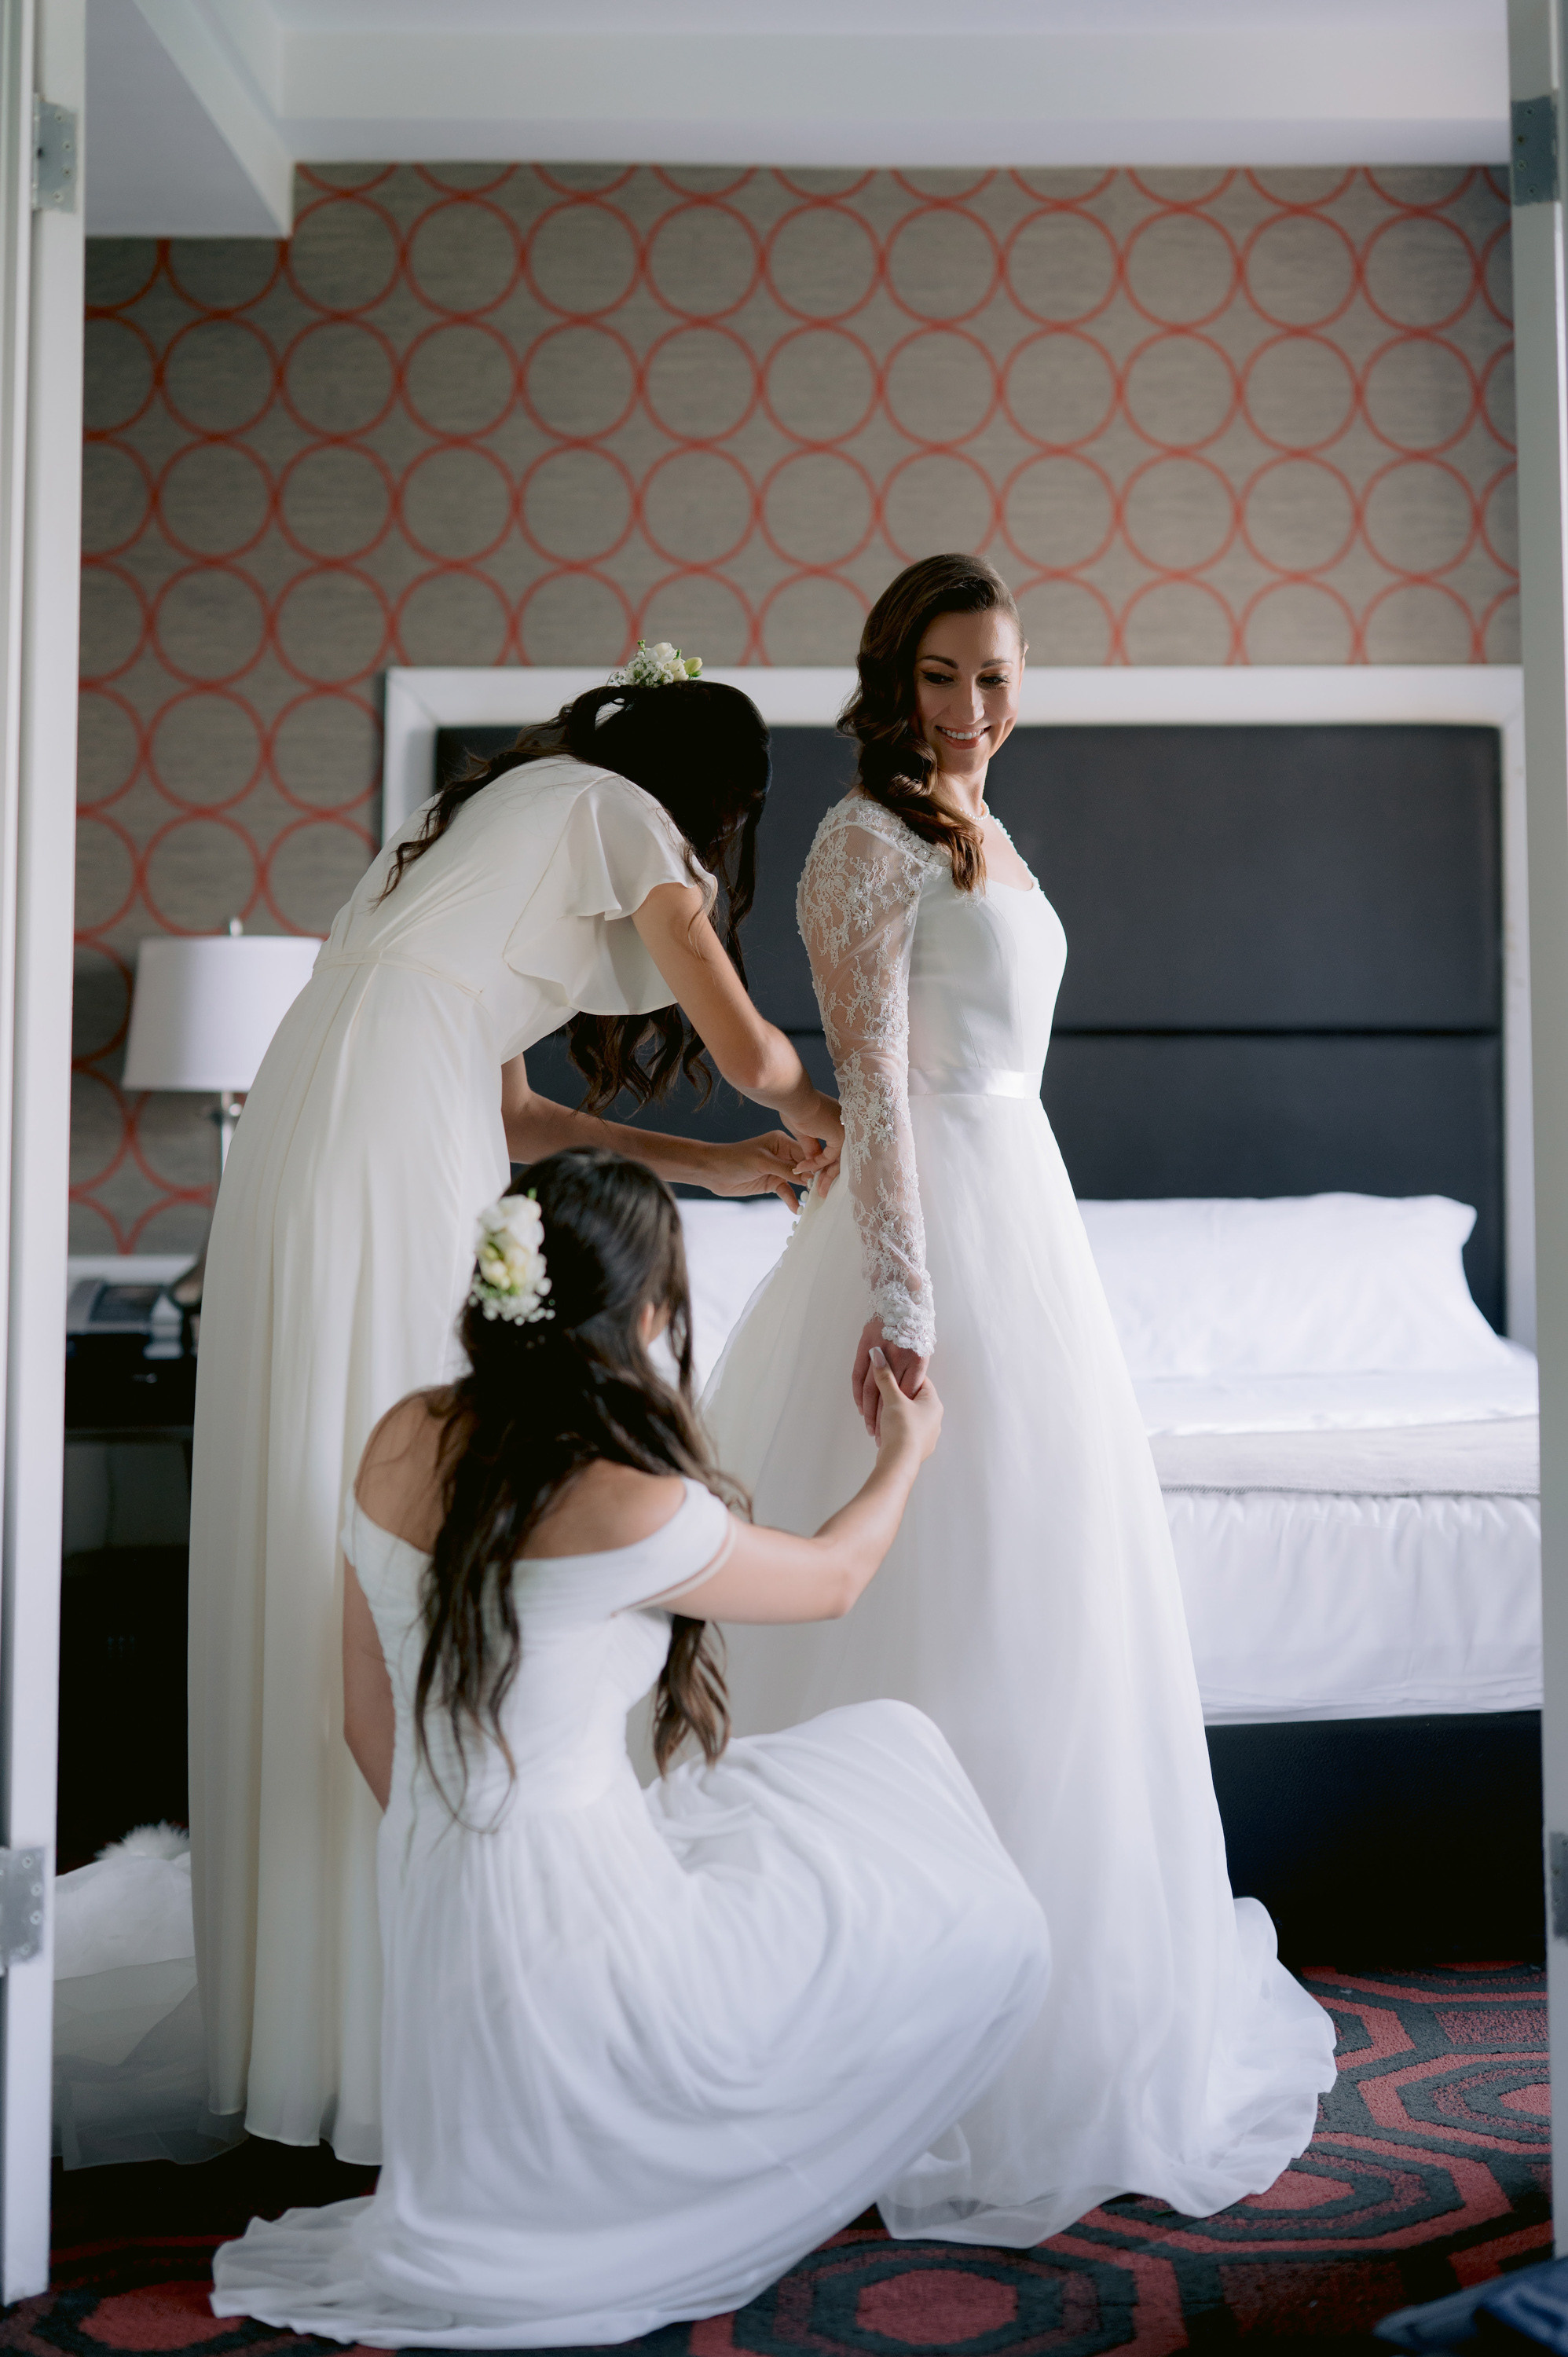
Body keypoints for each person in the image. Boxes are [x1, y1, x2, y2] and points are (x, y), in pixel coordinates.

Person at [702, 555, 1337, 2246]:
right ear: (889, 678)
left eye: (991, 674)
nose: (969, 707)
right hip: (933, 1235)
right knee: (927, 1597)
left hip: (1026, 1211)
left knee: (1049, 1611)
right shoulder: (862, 841)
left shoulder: (984, 821)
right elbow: (873, 1093)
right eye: (937, 677)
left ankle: (1054, 2013)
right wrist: (905, 1306)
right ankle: (864, 2031)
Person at [209, 1153, 1049, 2349]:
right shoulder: (628, 1499)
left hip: (433, 1887)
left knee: (819, 1795)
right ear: (645, 1313)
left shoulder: (399, 1436)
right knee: (949, 1867)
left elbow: (364, 1717)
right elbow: (837, 1578)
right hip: (583, 1900)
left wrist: (469, 1860)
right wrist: (904, 1451)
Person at [189, 661, 845, 2160]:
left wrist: (719, 1167)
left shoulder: (483, 815)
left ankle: (327, 1996)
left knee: (336, 1461)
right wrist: (834, 1119)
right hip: (384, 1122)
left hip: (326, 1105)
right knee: (394, 1449)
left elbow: (518, 1117)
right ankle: (396, 1997)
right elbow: (751, 1051)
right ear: (720, 804)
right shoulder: (621, 817)